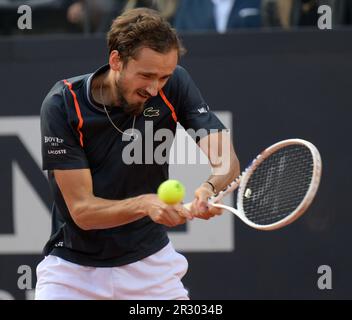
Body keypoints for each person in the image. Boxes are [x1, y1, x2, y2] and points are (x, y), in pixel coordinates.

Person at [35, 8, 240, 300]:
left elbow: (226, 161)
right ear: (116, 60)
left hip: (151, 268)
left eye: (164, 77)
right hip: (72, 273)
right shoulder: (63, 104)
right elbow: (83, 212)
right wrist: (145, 204)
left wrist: (209, 188)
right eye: (146, 76)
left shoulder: (176, 84)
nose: (155, 88)